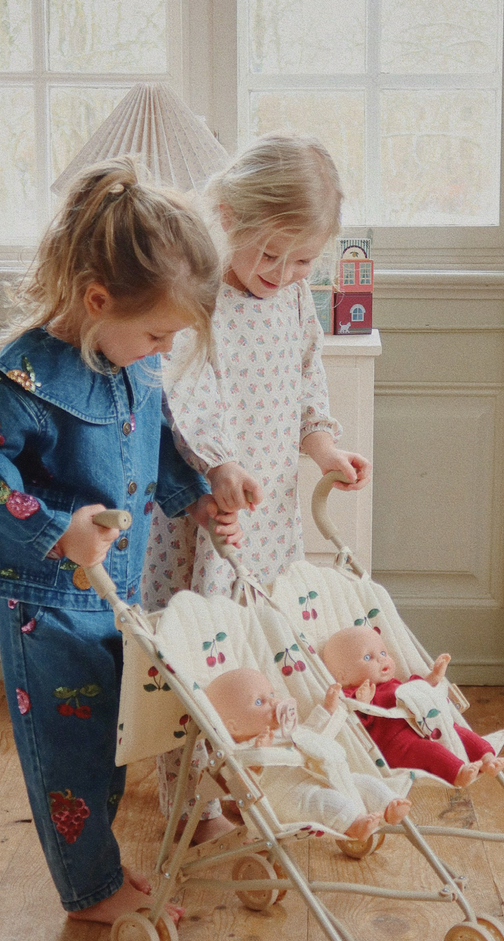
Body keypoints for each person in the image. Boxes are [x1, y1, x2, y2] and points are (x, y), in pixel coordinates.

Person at [0, 156, 243, 925]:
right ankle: (92, 888)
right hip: (48, 601)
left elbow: (155, 448)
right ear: (96, 299)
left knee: (108, 732)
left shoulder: (128, 363)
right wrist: (52, 527)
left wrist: (196, 500)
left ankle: (97, 869)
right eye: (159, 332)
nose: (164, 349)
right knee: (68, 751)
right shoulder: (27, 377)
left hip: (114, 587)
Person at [142, 132, 372, 841]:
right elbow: (184, 390)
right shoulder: (201, 293)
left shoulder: (296, 296)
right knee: (202, 655)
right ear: (226, 218)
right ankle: (193, 801)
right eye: (268, 253)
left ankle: (260, 775)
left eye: (301, 258)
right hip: (206, 515)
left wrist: (325, 446)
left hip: (267, 520)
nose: (281, 271)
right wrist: (217, 466)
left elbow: (307, 378)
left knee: (268, 647)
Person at [205, 668, 411, 840]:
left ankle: (389, 805)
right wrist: (258, 756)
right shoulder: (242, 751)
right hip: (291, 798)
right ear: (234, 726)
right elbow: (244, 784)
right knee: (327, 802)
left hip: (324, 777)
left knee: (364, 782)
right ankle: (356, 824)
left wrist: (328, 709)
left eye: (272, 695)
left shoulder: (285, 729)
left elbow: (310, 732)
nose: (274, 703)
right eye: (259, 702)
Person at [321, 626, 504, 788]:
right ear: (343, 676)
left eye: (383, 653)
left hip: (424, 724)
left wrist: (434, 677)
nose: (381, 659)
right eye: (368, 657)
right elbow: (352, 723)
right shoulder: (352, 693)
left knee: (458, 731)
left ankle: (487, 759)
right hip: (398, 743)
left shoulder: (394, 683)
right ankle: (458, 773)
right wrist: (361, 704)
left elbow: (417, 691)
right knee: (429, 751)